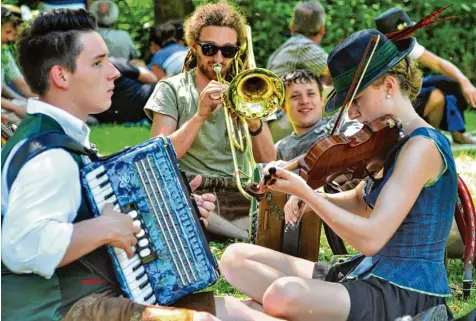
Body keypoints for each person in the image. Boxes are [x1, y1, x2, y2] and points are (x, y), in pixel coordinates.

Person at [220, 29, 457, 321]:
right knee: (235, 259)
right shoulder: (392, 139)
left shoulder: (422, 147)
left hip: (404, 292)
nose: (353, 114)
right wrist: (310, 196)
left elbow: (371, 239)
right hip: (366, 272)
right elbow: (360, 201)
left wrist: (308, 194)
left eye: (356, 100)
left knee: (282, 294)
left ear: (388, 85)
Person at [1, 9, 220, 321]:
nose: (114, 72)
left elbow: (90, 211)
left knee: (239, 310)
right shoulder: (50, 158)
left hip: (91, 292)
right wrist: (102, 228)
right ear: (61, 76)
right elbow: (20, 246)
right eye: (98, 63)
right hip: (58, 310)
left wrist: (175, 209)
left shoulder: (55, 134)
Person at [144, 0, 277, 241]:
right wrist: (200, 115)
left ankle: (230, 231)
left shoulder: (246, 91)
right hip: (196, 191)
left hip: (240, 192)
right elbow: (158, 157)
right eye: (209, 49)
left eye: (228, 51)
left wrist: (253, 122)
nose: (218, 58)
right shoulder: (172, 89)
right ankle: (241, 234)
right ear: (194, 46)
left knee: (287, 212)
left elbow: (268, 159)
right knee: (182, 211)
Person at [375, 7, 476, 144]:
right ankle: (426, 137)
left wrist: (465, 82)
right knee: (436, 96)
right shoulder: (380, 55)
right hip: (391, 107)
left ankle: (455, 133)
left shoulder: (408, 45)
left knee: (447, 83)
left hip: (408, 96)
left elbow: (439, 64)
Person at [276, 69, 361, 161]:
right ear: (283, 106)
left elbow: (357, 137)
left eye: (311, 94)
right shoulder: (280, 148)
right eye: (295, 96)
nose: (304, 101)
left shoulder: (341, 120)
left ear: (321, 100)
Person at [94, 57, 157, 124]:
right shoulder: (115, 64)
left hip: (116, 115)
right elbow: (152, 78)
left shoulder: (113, 65)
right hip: (140, 105)